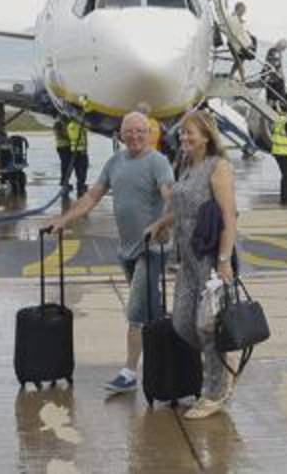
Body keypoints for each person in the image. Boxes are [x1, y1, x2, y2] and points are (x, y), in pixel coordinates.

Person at [43, 112, 174, 395]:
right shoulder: (115, 162)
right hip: (126, 248)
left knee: (136, 311)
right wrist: (63, 220)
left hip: (152, 248)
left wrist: (163, 224)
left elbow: (170, 197)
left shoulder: (158, 162)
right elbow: (92, 197)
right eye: (130, 132)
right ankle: (162, 358)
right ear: (121, 135)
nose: (135, 136)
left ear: (149, 133)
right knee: (149, 309)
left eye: (141, 131)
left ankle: (129, 373)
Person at [144, 111, 239, 419]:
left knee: (206, 324)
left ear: (207, 136)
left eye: (191, 134)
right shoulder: (185, 165)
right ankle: (223, 361)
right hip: (185, 259)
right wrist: (162, 222)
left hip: (211, 257)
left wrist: (224, 261)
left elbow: (229, 217)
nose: (184, 138)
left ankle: (215, 391)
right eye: (182, 134)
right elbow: (183, 208)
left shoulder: (218, 167)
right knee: (183, 323)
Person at [66, 105, 91, 197]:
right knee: (83, 169)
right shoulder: (78, 126)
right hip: (81, 151)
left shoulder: (70, 126)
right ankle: (81, 185)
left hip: (74, 151)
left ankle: (80, 184)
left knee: (78, 169)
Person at [262, 39, 287, 106]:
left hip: (273, 77)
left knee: (273, 96)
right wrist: (279, 74)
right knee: (273, 96)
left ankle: (278, 104)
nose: (284, 50)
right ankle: (277, 105)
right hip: (272, 77)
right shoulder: (274, 51)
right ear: (281, 46)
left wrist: (282, 74)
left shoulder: (276, 52)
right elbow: (273, 63)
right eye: (284, 48)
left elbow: (278, 65)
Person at [54, 115, 73, 195]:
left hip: (66, 147)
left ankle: (65, 181)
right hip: (63, 147)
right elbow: (62, 135)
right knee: (65, 165)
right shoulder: (58, 125)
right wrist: (71, 137)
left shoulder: (63, 124)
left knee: (68, 165)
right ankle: (64, 182)